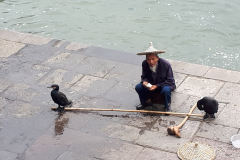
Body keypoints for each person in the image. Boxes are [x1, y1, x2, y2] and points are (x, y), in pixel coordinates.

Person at [135, 42, 176, 112]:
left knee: (166, 90)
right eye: (148, 59)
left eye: (153, 59)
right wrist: (145, 81)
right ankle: (146, 101)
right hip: (151, 84)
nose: (151, 61)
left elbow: (170, 80)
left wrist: (157, 86)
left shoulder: (166, 64)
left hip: (163, 85)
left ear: (157, 58)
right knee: (138, 87)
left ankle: (167, 106)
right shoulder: (144, 63)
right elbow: (144, 76)